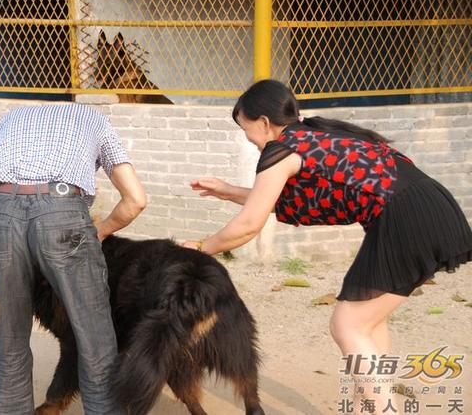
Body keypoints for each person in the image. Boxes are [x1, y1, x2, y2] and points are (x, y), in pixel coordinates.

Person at [183, 79, 471, 412]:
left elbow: (249, 224)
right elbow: (276, 202)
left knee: (347, 325)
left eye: (246, 129)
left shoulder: (281, 150)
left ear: (263, 122)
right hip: (427, 204)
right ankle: (374, 405)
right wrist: (229, 190)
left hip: (402, 217)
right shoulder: (313, 136)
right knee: (369, 323)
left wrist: (200, 247)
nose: (250, 140)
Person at [0, 103, 146, 415]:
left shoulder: (10, 118)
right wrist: (101, 230)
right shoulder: (94, 118)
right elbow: (136, 200)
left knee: (11, 331)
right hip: (62, 208)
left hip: (0, 211)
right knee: (94, 334)